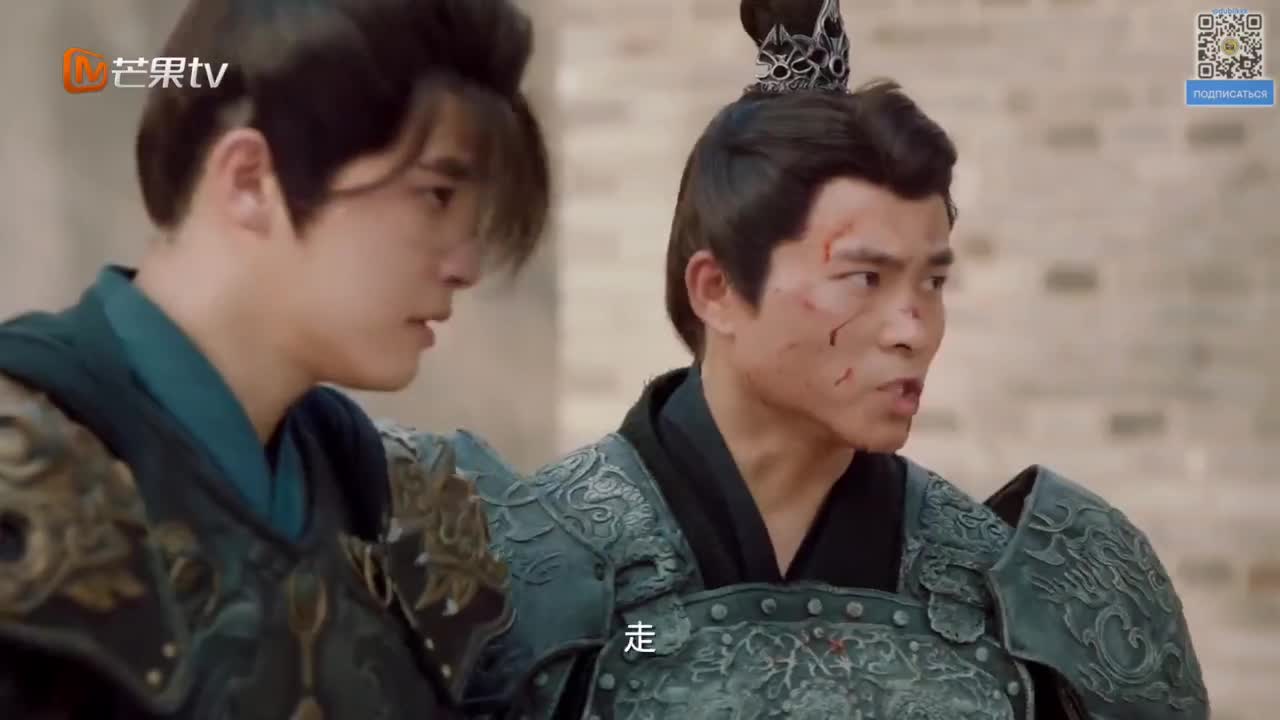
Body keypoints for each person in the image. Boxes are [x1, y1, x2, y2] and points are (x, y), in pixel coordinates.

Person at [448, 0, 1210, 718]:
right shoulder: (524, 574)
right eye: (864, 278)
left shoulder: (1018, 597)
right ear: (717, 290)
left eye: (932, 281)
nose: (913, 330)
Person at [0, 0, 549, 717]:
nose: (465, 265)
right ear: (250, 181)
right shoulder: (23, 470)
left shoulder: (401, 508)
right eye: (435, 196)